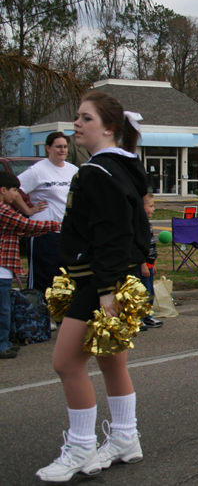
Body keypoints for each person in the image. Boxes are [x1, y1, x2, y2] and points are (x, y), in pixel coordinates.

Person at [36, 91, 151, 481]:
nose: (76, 125)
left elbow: (112, 233)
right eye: (78, 118)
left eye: (85, 119)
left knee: (66, 362)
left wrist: (104, 290)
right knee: (110, 359)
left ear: (108, 127)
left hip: (100, 279)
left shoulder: (97, 172)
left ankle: (81, 446)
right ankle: (124, 437)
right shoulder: (122, 167)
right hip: (116, 275)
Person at [0, 172, 61, 360]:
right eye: (13, 191)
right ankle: (2, 344)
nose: (16, 195)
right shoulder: (3, 210)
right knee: (2, 308)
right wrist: (55, 225)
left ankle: (6, 341)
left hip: (5, 267)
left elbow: (19, 228)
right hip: (1, 267)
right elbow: (25, 225)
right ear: (3, 190)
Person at [13, 132, 78, 294]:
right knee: (43, 279)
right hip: (43, 233)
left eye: (64, 147)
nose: (62, 150)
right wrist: (28, 210)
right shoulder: (38, 170)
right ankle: (38, 315)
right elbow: (14, 190)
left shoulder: (73, 170)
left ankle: (60, 317)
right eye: (58, 147)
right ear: (48, 148)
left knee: (65, 279)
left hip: (66, 233)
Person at [139, 193, 162, 330]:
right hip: (142, 266)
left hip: (149, 264)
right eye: (150, 206)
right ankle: (139, 317)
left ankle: (147, 316)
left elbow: (151, 245)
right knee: (143, 292)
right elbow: (139, 247)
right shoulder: (139, 225)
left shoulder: (148, 224)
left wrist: (153, 264)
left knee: (150, 292)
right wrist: (143, 265)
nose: (153, 209)